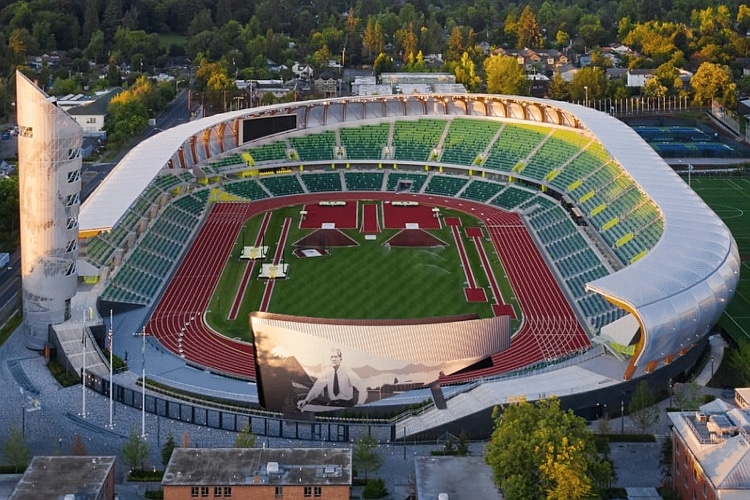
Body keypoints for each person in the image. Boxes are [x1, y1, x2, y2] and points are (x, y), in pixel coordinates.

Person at [297, 348, 368, 410]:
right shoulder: (327, 371)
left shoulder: (347, 370)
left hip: (346, 404)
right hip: (333, 404)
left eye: (336, 357)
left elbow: (361, 387)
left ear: (340, 359)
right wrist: (306, 400)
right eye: (332, 357)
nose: (334, 359)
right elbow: (317, 388)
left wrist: (360, 404)